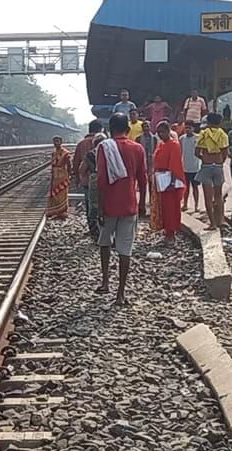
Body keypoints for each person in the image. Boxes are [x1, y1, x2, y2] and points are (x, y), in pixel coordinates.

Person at [95, 113, 146, 306]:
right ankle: (121, 293)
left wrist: (100, 208)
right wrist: (141, 204)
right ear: (128, 128)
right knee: (126, 250)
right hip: (129, 205)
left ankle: (106, 281)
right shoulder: (138, 148)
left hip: (108, 205)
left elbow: (101, 179)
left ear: (110, 128)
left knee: (105, 243)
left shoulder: (105, 147)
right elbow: (143, 178)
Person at [153, 120, 186, 242]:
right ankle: (167, 230)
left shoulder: (174, 144)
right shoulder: (161, 144)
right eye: (158, 132)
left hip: (170, 180)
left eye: (162, 132)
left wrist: (172, 182)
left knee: (171, 207)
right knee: (164, 207)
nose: (160, 134)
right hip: (161, 178)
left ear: (168, 131)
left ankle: (171, 233)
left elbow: (175, 164)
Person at [196, 113, 230, 229]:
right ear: (219, 123)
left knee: (207, 196)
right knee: (218, 195)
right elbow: (225, 153)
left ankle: (212, 223)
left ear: (208, 123)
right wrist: (220, 162)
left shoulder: (203, 134)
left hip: (206, 166)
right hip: (218, 166)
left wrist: (204, 158)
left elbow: (197, 152)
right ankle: (220, 220)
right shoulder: (223, 134)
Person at [72, 120, 103, 238]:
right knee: (101, 203)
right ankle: (102, 227)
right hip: (102, 180)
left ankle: (92, 228)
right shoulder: (104, 142)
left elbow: (76, 163)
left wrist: (77, 179)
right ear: (100, 129)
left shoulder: (81, 144)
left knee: (89, 204)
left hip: (87, 181)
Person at [47, 136, 71, 219]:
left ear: (61, 142)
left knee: (62, 193)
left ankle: (62, 211)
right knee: (55, 193)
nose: (55, 143)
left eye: (57, 141)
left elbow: (69, 165)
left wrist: (69, 174)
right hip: (55, 175)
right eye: (54, 141)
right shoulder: (53, 153)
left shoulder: (66, 153)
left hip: (62, 175)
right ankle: (55, 210)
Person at [180, 123, 202, 211]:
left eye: (189, 128)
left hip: (195, 167)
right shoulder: (182, 138)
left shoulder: (198, 138)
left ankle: (196, 206)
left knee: (195, 187)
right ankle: (185, 204)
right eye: (186, 128)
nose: (188, 129)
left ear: (193, 128)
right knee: (186, 188)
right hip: (185, 167)